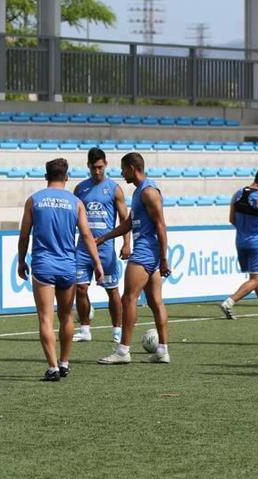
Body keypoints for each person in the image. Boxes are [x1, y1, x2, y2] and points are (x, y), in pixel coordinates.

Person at [18, 158, 103, 382]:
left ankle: (53, 367)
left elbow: (24, 235)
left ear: (46, 176)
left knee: (45, 318)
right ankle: (64, 363)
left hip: (44, 264)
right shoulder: (75, 202)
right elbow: (86, 235)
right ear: (66, 177)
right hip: (68, 265)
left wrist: (20, 261)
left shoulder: (34, 200)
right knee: (66, 316)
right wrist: (97, 263)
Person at [96, 152, 171, 365]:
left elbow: (161, 225)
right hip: (151, 253)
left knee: (128, 298)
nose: (121, 173)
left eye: (123, 169)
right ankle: (162, 350)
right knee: (156, 302)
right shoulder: (141, 191)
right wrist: (103, 237)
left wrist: (164, 258)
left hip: (146, 252)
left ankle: (122, 351)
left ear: (132, 167)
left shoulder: (148, 192)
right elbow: (128, 223)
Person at [72, 148, 130, 344]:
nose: (97, 172)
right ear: (87, 166)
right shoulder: (80, 189)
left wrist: (126, 243)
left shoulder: (114, 189)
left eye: (100, 167)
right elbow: (73, 219)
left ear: (105, 164)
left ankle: (117, 330)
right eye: (93, 168)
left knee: (112, 290)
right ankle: (85, 329)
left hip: (105, 248)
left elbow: (125, 219)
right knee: (80, 289)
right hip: (83, 248)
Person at [220, 167, 258, 319]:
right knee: (255, 279)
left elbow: (232, 219)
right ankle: (229, 302)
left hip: (240, 242)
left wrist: (244, 230)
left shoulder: (238, 194)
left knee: (254, 278)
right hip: (256, 243)